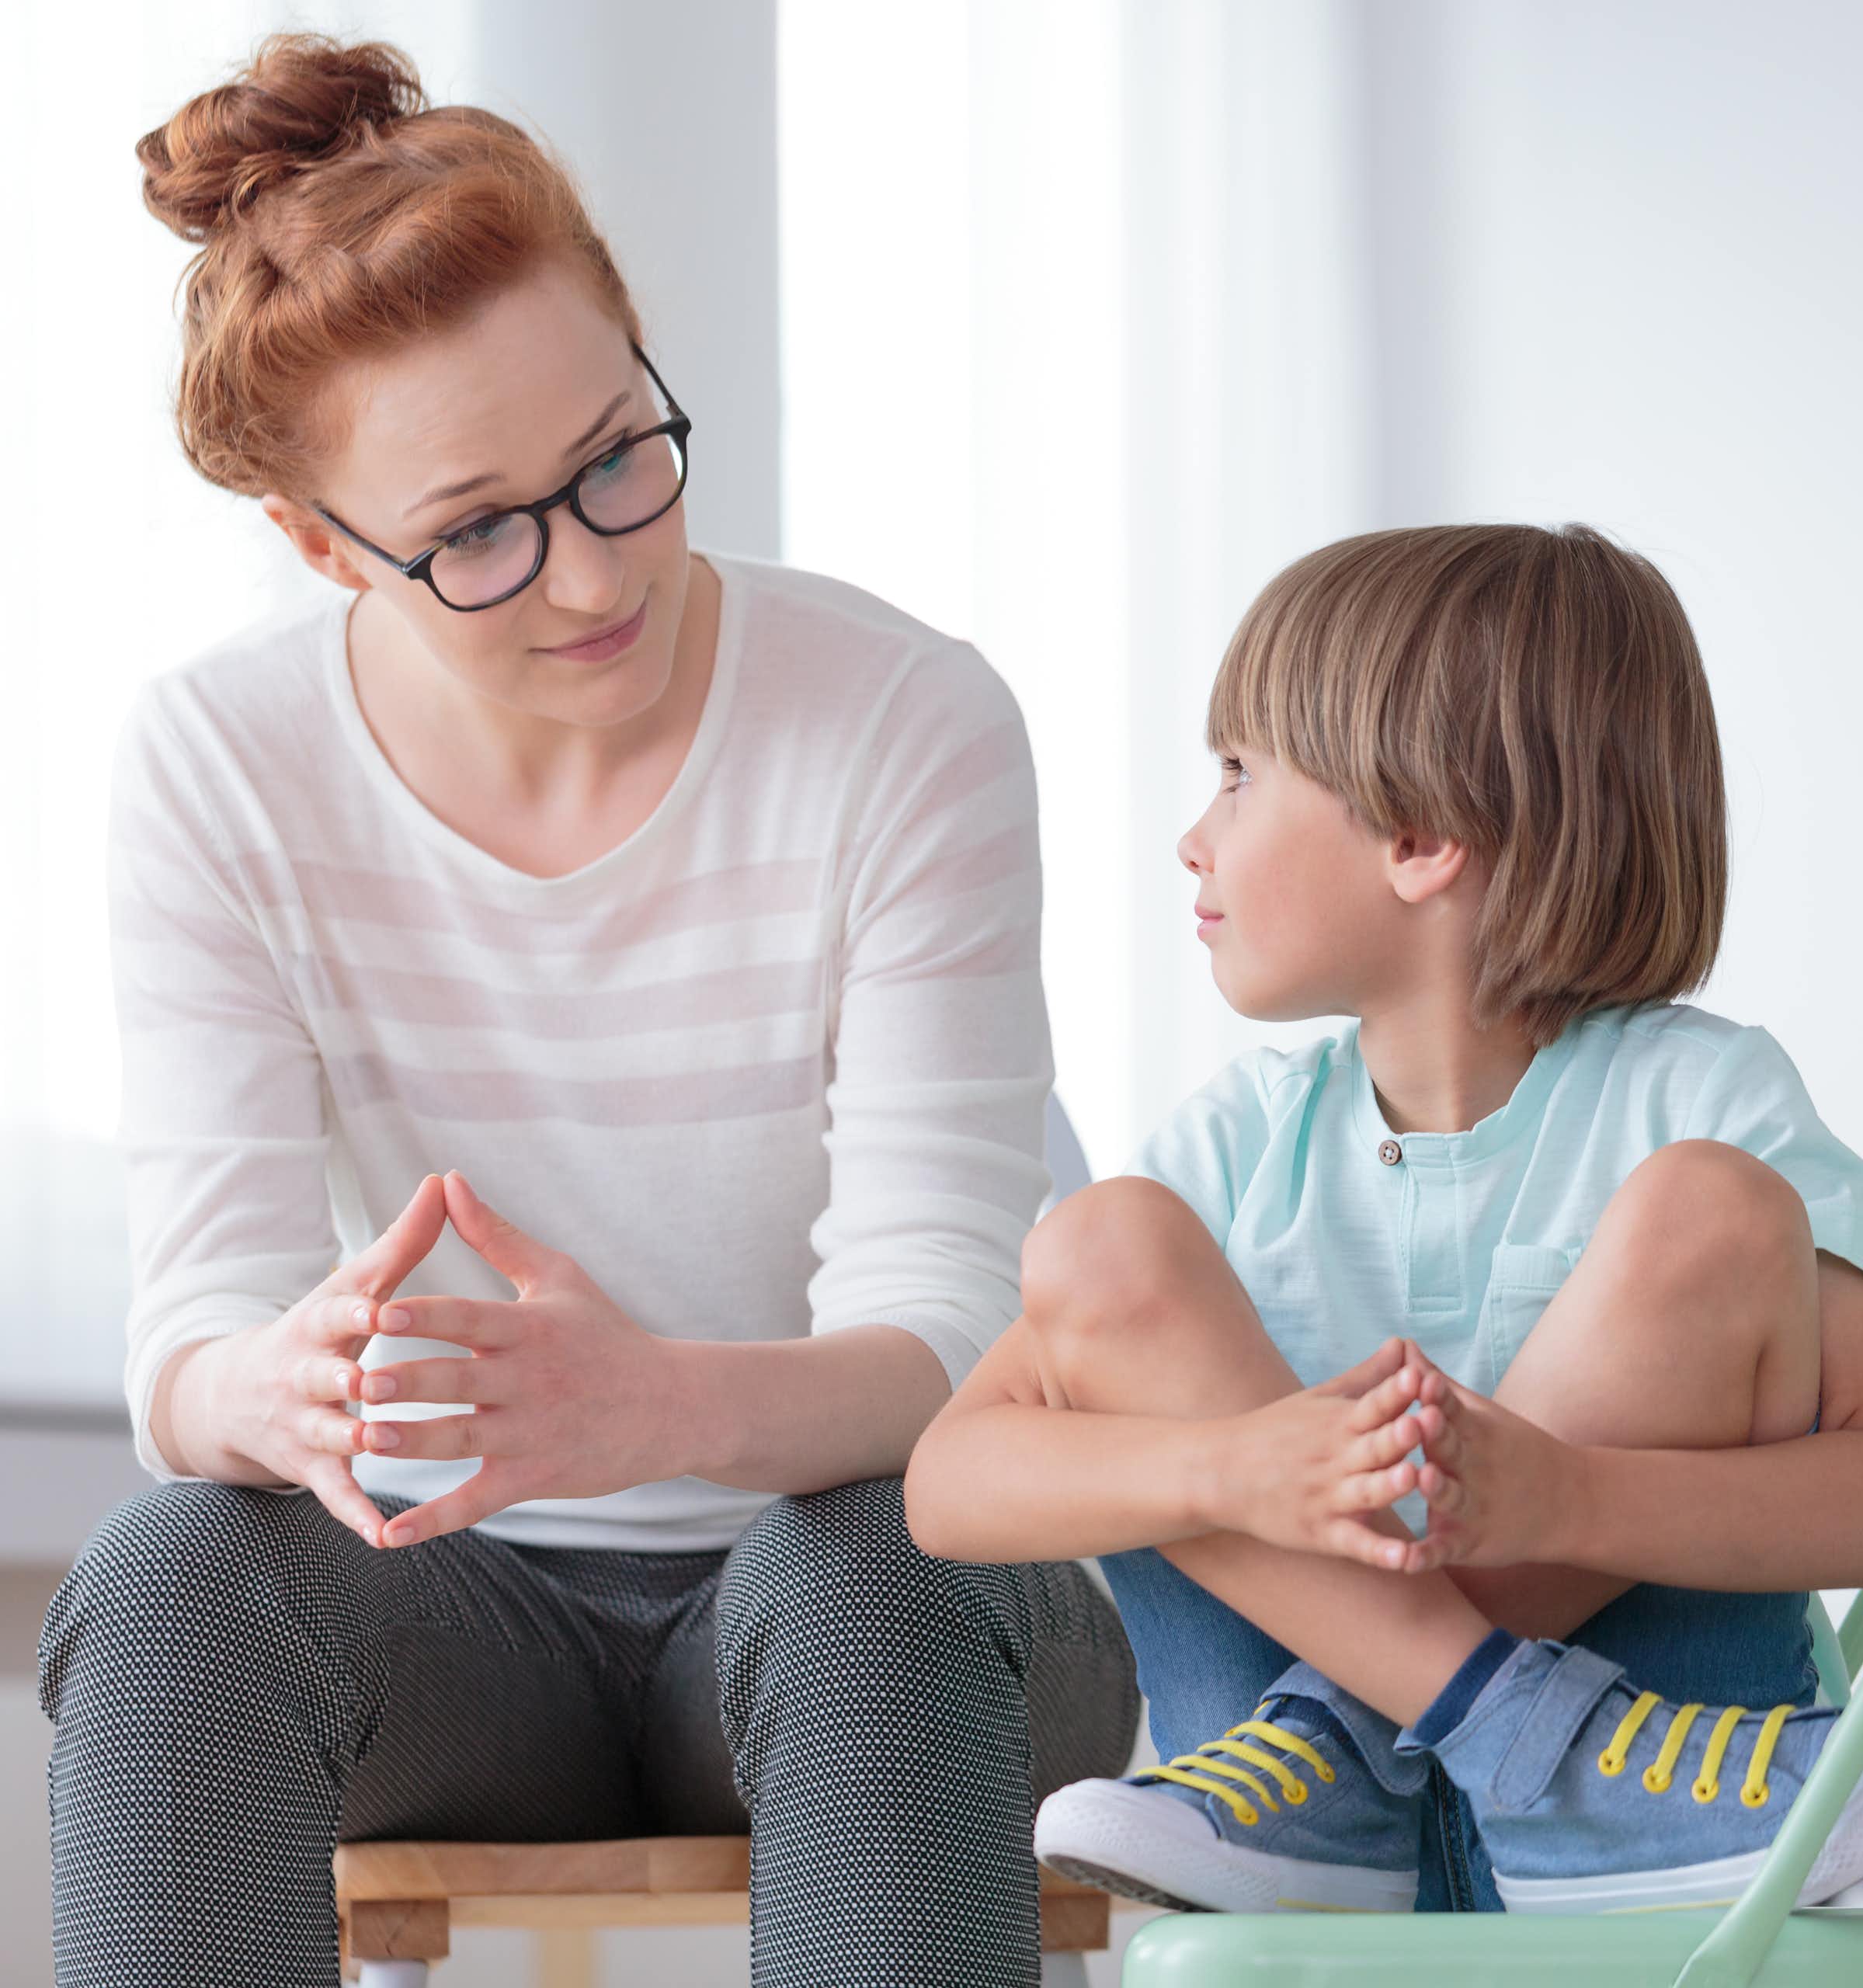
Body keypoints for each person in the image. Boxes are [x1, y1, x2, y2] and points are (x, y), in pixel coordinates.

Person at [36, 32, 1137, 1988]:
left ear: (640, 357)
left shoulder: (902, 722)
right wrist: (263, 1385)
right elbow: (189, 1342)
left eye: (619, 454)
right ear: (320, 545)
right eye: (476, 532)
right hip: (454, 1622)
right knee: (175, 1571)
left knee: (867, 1558)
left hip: (874, 1591)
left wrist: (661, 1406)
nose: (592, 573)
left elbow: (952, 1347)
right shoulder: (220, 764)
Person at [905, 522, 1863, 1915]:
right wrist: (1236, 1467)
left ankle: (1386, 1750)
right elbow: (949, 1484)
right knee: (1101, 1242)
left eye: (1239, 776)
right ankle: (1454, 1755)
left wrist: (1572, 1493)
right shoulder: (1233, 1150)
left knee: (1708, 1206)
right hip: (1295, 1842)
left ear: (1418, 838)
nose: (1194, 837)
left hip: (1675, 1818)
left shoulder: (1705, 1107)